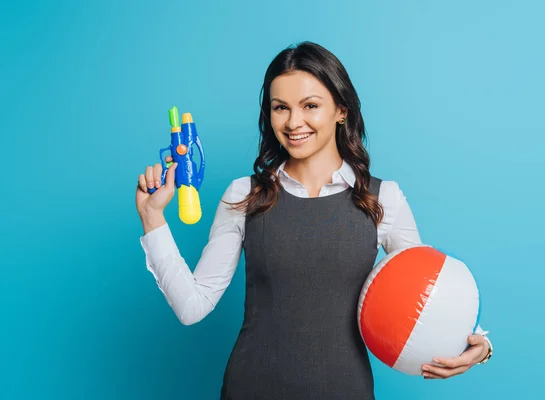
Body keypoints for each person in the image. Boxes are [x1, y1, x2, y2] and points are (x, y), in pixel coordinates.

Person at [135, 41, 492, 399]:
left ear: (341, 110)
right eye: (280, 108)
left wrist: (479, 348)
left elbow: (426, 297)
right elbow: (192, 306)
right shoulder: (243, 195)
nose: (293, 122)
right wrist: (152, 218)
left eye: (310, 106)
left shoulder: (384, 199)